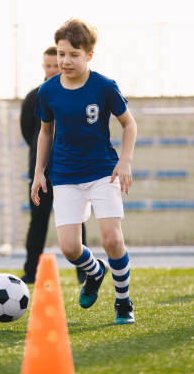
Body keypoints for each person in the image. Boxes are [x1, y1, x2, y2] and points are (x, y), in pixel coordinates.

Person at [31, 19, 138, 324]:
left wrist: (125, 160)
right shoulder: (47, 91)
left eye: (73, 55)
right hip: (64, 174)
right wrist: (40, 172)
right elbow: (46, 131)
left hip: (103, 171)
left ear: (89, 55)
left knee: (111, 240)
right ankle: (95, 271)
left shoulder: (104, 87)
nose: (65, 60)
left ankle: (123, 302)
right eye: (62, 54)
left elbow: (129, 123)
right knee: (68, 247)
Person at [20, 45, 88, 285]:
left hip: (70, 170)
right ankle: (30, 271)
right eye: (48, 65)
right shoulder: (33, 97)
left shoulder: (75, 94)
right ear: (43, 66)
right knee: (37, 222)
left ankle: (84, 271)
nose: (52, 69)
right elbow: (30, 132)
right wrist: (42, 161)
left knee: (76, 220)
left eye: (55, 64)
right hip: (41, 173)